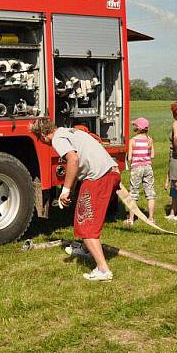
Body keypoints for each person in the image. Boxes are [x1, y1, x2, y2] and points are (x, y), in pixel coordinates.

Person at [31, 118, 121, 281]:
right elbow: (81, 162)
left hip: (98, 178)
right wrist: (71, 190)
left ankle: (103, 270)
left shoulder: (57, 139)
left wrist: (64, 191)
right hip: (110, 172)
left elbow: (73, 160)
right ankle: (86, 250)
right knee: (84, 216)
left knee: (86, 223)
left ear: (43, 135)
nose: (41, 142)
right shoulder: (70, 131)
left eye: (39, 138)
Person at [125, 117, 155, 225]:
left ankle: (131, 219)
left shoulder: (132, 141)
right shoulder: (149, 140)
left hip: (136, 168)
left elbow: (129, 158)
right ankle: (151, 218)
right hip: (148, 167)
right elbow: (152, 155)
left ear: (137, 128)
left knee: (133, 193)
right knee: (150, 193)